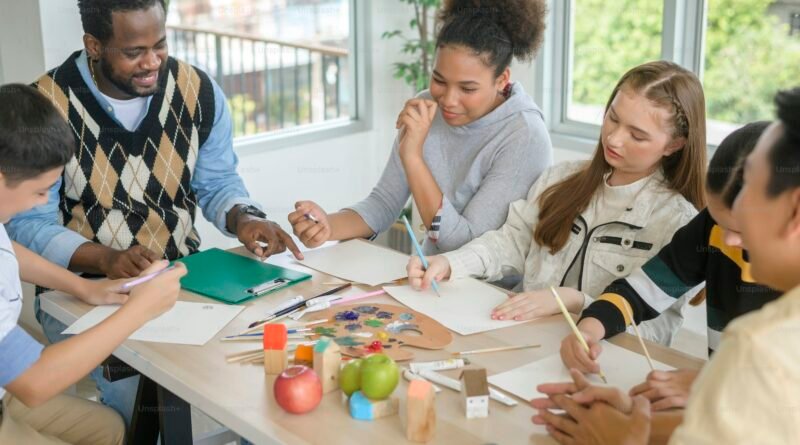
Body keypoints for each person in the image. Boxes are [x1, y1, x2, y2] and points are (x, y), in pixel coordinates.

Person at [7, 0, 300, 427]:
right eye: (133, 52)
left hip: (187, 281)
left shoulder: (199, 92)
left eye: (160, 45)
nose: (152, 62)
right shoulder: (47, 107)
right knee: (146, 415)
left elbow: (218, 184)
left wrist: (244, 218)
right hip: (83, 292)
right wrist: (104, 259)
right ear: (94, 45)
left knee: (249, 389)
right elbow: (27, 223)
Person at [532, 87, 800, 445]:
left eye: (745, 220)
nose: (732, 241)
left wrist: (623, 437)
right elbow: (642, 290)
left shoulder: (762, 348)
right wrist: (634, 421)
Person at [409, 61, 707, 336]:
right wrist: (452, 263)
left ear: (675, 144)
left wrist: (576, 302)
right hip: (523, 341)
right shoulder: (560, 180)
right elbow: (512, 242)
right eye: (612, 118)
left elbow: (655, 333)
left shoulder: (678, 222)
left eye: (637, 135)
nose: (614, 138)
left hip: (604, 365)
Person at [0, 83, 186, 445]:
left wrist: (85, 287)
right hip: (19, 387)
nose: (37, 204)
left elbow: (8, 251)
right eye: (39, 192)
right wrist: (139, 311)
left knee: (112, 430)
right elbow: (35, 382)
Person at [289, 0, 552, 255]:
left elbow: (465, 246)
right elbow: (383, 203)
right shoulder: (427, 105)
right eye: (439, 79)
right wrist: (327, 226)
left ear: (502, 79)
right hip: (426, 279)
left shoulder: (524, 135)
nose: (448, 100)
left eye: (467, 88)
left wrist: (412, 156)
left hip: (492, 292)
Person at [559, 122, 781, 411]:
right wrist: (590, 328)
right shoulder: (715, 228)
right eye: (720, 221)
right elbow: (643, 290)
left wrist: (712, 383)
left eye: (746, 231)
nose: (728, 239)